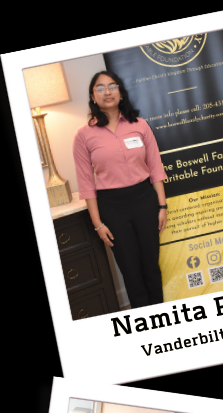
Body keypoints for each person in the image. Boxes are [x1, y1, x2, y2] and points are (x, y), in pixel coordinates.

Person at [73, 71, 167, 309]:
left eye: (112, 86)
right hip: (112, 207)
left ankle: (162, 319)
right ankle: (143, 323)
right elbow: (86, 183)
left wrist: (162, 206)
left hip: (144, 200)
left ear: (121, 92)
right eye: (101, 88)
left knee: (151, 266)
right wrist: (98, 223)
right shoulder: (84, 135)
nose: (107, 92)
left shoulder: (140, 125)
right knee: (130, 270)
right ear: (93, 96)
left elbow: (155, 168)